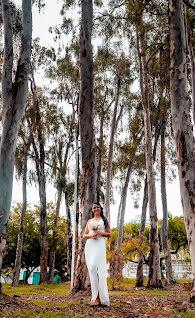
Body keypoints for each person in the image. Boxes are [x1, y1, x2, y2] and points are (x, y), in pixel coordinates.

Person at [84, 202, 110, 307]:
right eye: (94, 207)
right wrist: (91, 236)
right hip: (90, 245)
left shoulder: (104, 220)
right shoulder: (89, 221)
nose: (96, 209)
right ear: (92, 210)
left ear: (100, 208)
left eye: (97, 207)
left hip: (99, 246)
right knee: (91, 269)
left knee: (99, 270)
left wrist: (99, 233)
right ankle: (95, 297)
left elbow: (109, 234)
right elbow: (84, 235)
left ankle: (101, 298)